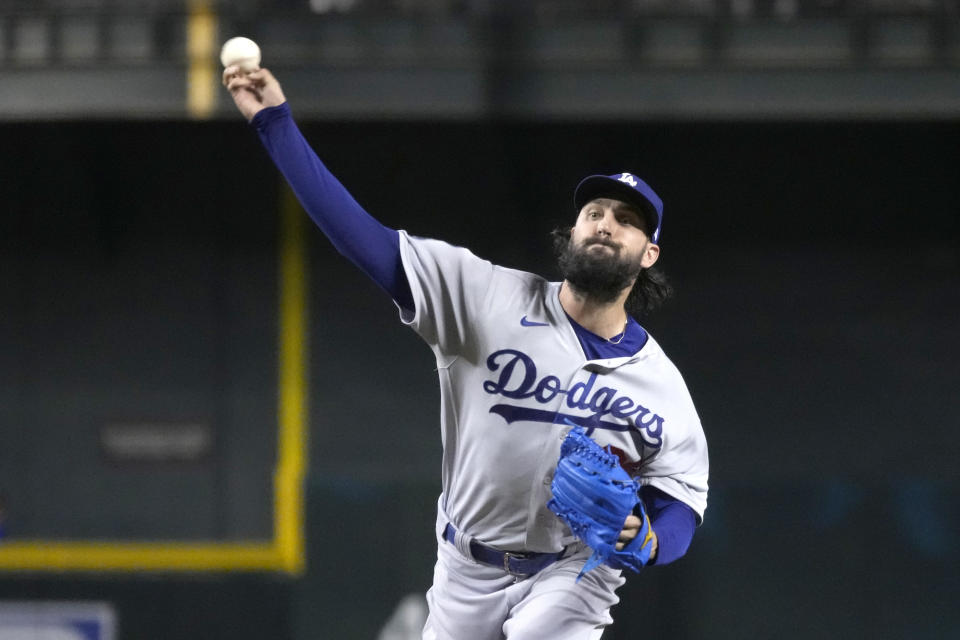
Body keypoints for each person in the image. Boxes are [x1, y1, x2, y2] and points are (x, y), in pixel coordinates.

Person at [224, 66, 708, 640]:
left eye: (626, 221)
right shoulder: (486, 298)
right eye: (594, 213)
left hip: (573, 568)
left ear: (648, 255)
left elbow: (682, 498)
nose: (605, 225)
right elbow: (360, 236)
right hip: (464, 565)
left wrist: (650, 540)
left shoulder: (660, 384)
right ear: (572, 232)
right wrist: (275, 124)